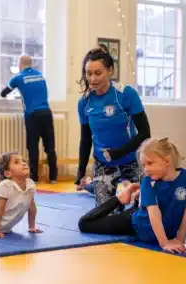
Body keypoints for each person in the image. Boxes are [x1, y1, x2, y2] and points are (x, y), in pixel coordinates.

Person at [78, 138, 186, 254]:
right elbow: (154, 215)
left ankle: (132, 191)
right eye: (143, 165)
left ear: (167, 161)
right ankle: (119, 197)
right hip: (136, 223)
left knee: (141, 198)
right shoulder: (148, 181)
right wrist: (164, 243)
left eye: (149, 163)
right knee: (84, 224)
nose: (146, 169)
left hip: (157, 224)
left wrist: (179, 240)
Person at [75, 45, 151, 207]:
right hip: (104, 163)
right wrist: (80, 171)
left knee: (147, 205)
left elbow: (145, 133)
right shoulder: (84, 102)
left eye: (98, 73)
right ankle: (92, 184)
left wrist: (119, 152)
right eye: (89, 74)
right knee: (106, 213)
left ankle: (97, 185)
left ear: (110, 70)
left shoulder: (126, 94)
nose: (93, 79)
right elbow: (86, 140)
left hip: (132, 160)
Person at [0, 55, 57, 183]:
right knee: (50, 147)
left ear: (20, 65)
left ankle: (34, 178)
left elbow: (3, 93)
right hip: (47, 113)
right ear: (31, 64)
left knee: (33, 147)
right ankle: (53, 177)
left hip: (32, 115)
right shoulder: (41, 76)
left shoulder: (18, 77)